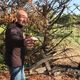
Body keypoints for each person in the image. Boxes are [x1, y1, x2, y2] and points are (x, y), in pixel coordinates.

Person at [4, 9, 32, 80]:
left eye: (26, 18)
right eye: (22, 17)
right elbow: (13, 39)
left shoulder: (18, 28)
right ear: (16, 17)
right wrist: (23, 42)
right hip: (15, 61)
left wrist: (25, 40)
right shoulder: (12, 28)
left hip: (19, 61)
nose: (25, 20)